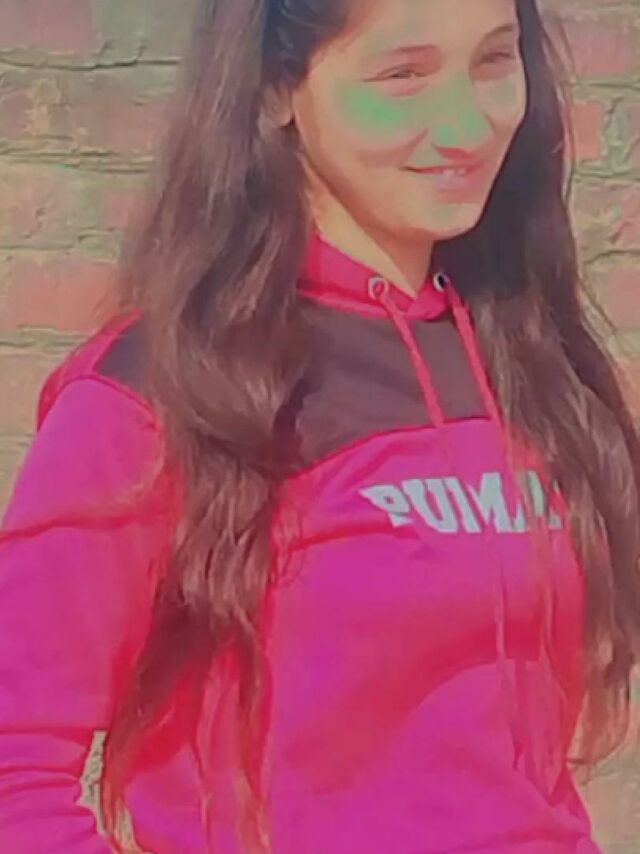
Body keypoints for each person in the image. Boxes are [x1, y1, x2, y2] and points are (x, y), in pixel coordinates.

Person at [1, 0, 639, 851]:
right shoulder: (162, 393)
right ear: (276, 87)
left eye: (494, 61)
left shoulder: (528, 359)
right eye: (404, 74)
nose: (467, 125)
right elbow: (14, 773)